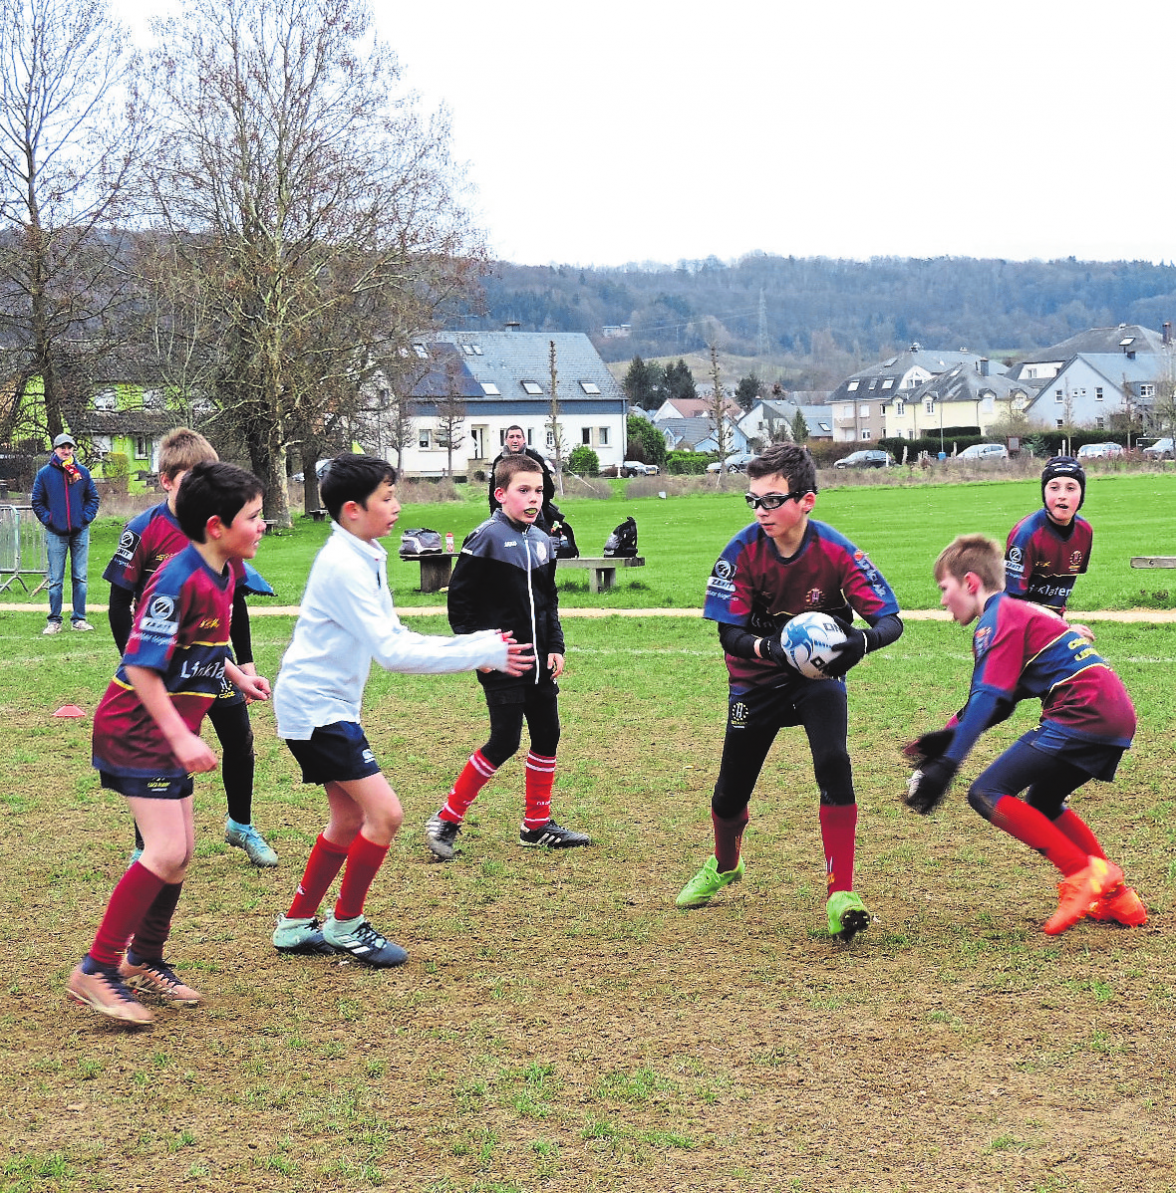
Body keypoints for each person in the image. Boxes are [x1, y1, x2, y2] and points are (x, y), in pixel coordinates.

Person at [271, 454, 532, 966]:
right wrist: (481, 649)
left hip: (324, 705)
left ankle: (297, 924)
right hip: (318, 709)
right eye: (387, 498)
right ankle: (345, 926)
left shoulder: (364, 552)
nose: (397, 506)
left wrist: (477, 649)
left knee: (347, 819)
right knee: (385, 814)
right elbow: (393, 652)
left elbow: (393, 638)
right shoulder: (344, 564)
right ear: (352, 509)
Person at [67, 461, 270, 1026]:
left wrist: (235, 676)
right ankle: (96, 969)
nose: (262, 526)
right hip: (137, 727)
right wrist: (181, 736)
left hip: (166, 731)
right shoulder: (176, 578)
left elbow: (205, 644)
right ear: (215, 525)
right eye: (253, 518)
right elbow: (144, 668)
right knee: (162, 851)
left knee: (178, 858)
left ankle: (144, 958)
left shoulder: (225, 572)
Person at [676, 443, 903, 939]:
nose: (761, 511)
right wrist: (771, 649)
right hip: (755, 682)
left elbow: (890, 621)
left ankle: (840, 891)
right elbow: (729, 634)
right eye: (753, 500)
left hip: (816, 679)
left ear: (806, 501)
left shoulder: (837, 551)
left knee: (833, 763)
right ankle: (724, 863)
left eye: (772, 500)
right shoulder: (740, 552)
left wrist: (858, 642)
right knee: (728, 794)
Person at [904, 533, 1144, 934]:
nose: (943, 600)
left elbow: (987, 699)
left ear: (970, 583)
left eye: (944, 588)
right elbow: (1000, 703)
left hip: (1082, 712)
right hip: (1112, 711)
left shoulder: (995, 621)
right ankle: (1117, 896)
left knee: (986, 793)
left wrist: (947, 764)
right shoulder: (1018, 611)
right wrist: (946, 736)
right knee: (1044, 799)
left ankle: (1080, 876)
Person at [103, 428, 278, 867]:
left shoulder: (223, 531)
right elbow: (118, 603)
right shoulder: (144, 530)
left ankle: (240, 825)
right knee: (164, 755)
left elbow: (231, 601)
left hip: (212, 663)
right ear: (166, 481)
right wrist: (141, 665)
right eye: (191, 479)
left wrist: (242, 666)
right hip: (162, 666)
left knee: (238, 740)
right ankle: (147, 846)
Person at [425, 452, 590, 861]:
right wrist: (475, 650)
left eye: (538, 491)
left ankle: (536, 826)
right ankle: (445, 819)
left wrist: (555, 646)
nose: (533, 499)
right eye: (523, 491)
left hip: (538, 661)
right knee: (504, 741)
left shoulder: (543, 540)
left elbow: (548, 601)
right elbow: (460, 604)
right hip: (501, 659)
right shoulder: (485, 537)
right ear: (501, 495)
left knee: (547, 735)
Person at [1005, 455, 1094, 641]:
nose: (1062, 495)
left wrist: (1059, 628)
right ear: (1044, 493)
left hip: (1050, 629)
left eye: (1071, 488)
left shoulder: (1084, 532)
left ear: (1082, 494)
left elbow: (1059, 592)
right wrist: (1061, 631)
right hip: (1017, 630)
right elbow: (1012, 605)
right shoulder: (1027, 534)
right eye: (1054, 487)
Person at [31, 432, 100, 634]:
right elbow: (37, 501)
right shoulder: (45, 474)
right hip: (56, 533)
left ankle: (79, 619)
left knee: (80, 577)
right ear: (55, 449)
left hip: (80, 532)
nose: (66, 450)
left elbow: (93, 499)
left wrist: (84, 518)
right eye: (62, 447)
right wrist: (49, 520)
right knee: (56, 579)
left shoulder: (82, 473)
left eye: (69, 447)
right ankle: (54, 621)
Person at [487, 424, 559, 532]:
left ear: (524, 439)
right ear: (506, 440)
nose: (515, 440)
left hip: (534, 518)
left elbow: (548, 489)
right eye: (511, 437)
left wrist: (537, 510)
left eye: (518, 437)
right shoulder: (499, 461)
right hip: (506, 517)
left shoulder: (535, 458)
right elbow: (493, 492)